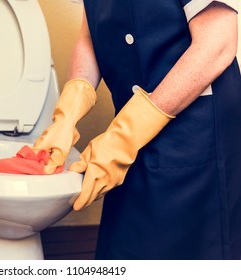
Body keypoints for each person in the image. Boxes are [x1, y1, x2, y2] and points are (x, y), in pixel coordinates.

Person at [31, 0, 241, 259]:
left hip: (194, 132)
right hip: (131, 131)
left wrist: (124, 137)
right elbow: (89, 38)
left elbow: (217, 44)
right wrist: (68, 113)